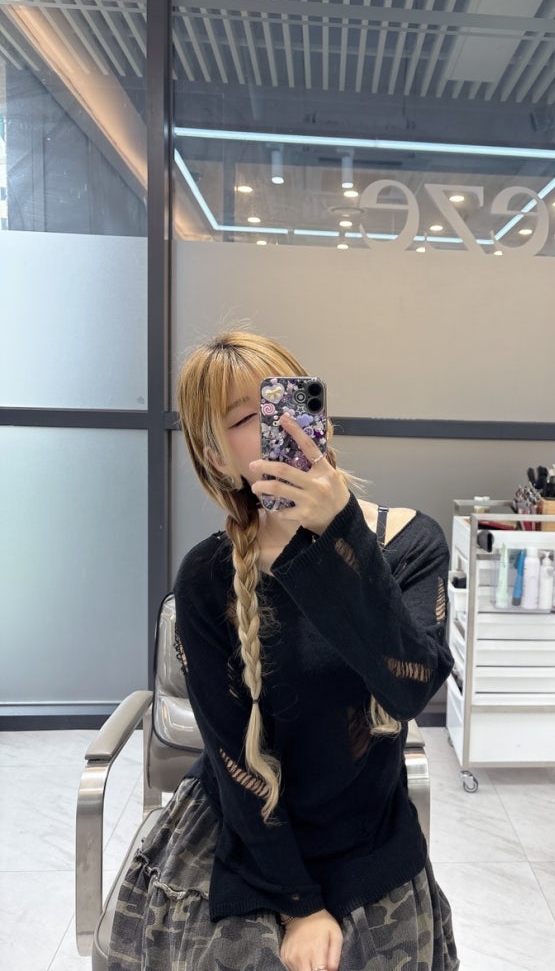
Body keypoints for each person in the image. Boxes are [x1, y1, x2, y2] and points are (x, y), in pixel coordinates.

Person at [107, 329, 459, 971]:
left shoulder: (410, 543)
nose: (284, 429)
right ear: (215, 458)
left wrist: (339, 531)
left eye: (292, 404)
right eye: (248, 419)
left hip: (369, 835)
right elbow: (232, 759)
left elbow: (408, 686)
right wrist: (299, 905)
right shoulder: (207, 578)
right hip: (247, 835)